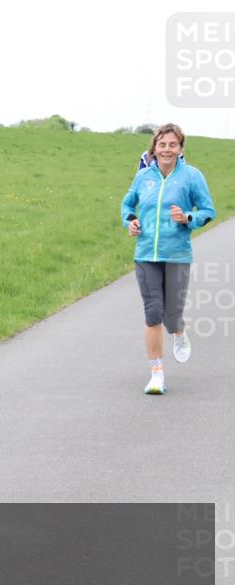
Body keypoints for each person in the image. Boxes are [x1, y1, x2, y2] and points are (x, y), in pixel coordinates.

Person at [121, 123, 214, 394]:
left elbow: (208, 210)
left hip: (177, 255)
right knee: (153, 314)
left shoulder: (192, 176)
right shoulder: (143, 177)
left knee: (172, 317)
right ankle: (156, 374)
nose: (167, 149)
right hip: (146, 254)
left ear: (180, 149)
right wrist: (131, 221)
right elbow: (127, 204)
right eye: (162, 144)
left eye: (173, 145)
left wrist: (187, 217)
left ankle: (179, 331)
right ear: (154, 148)